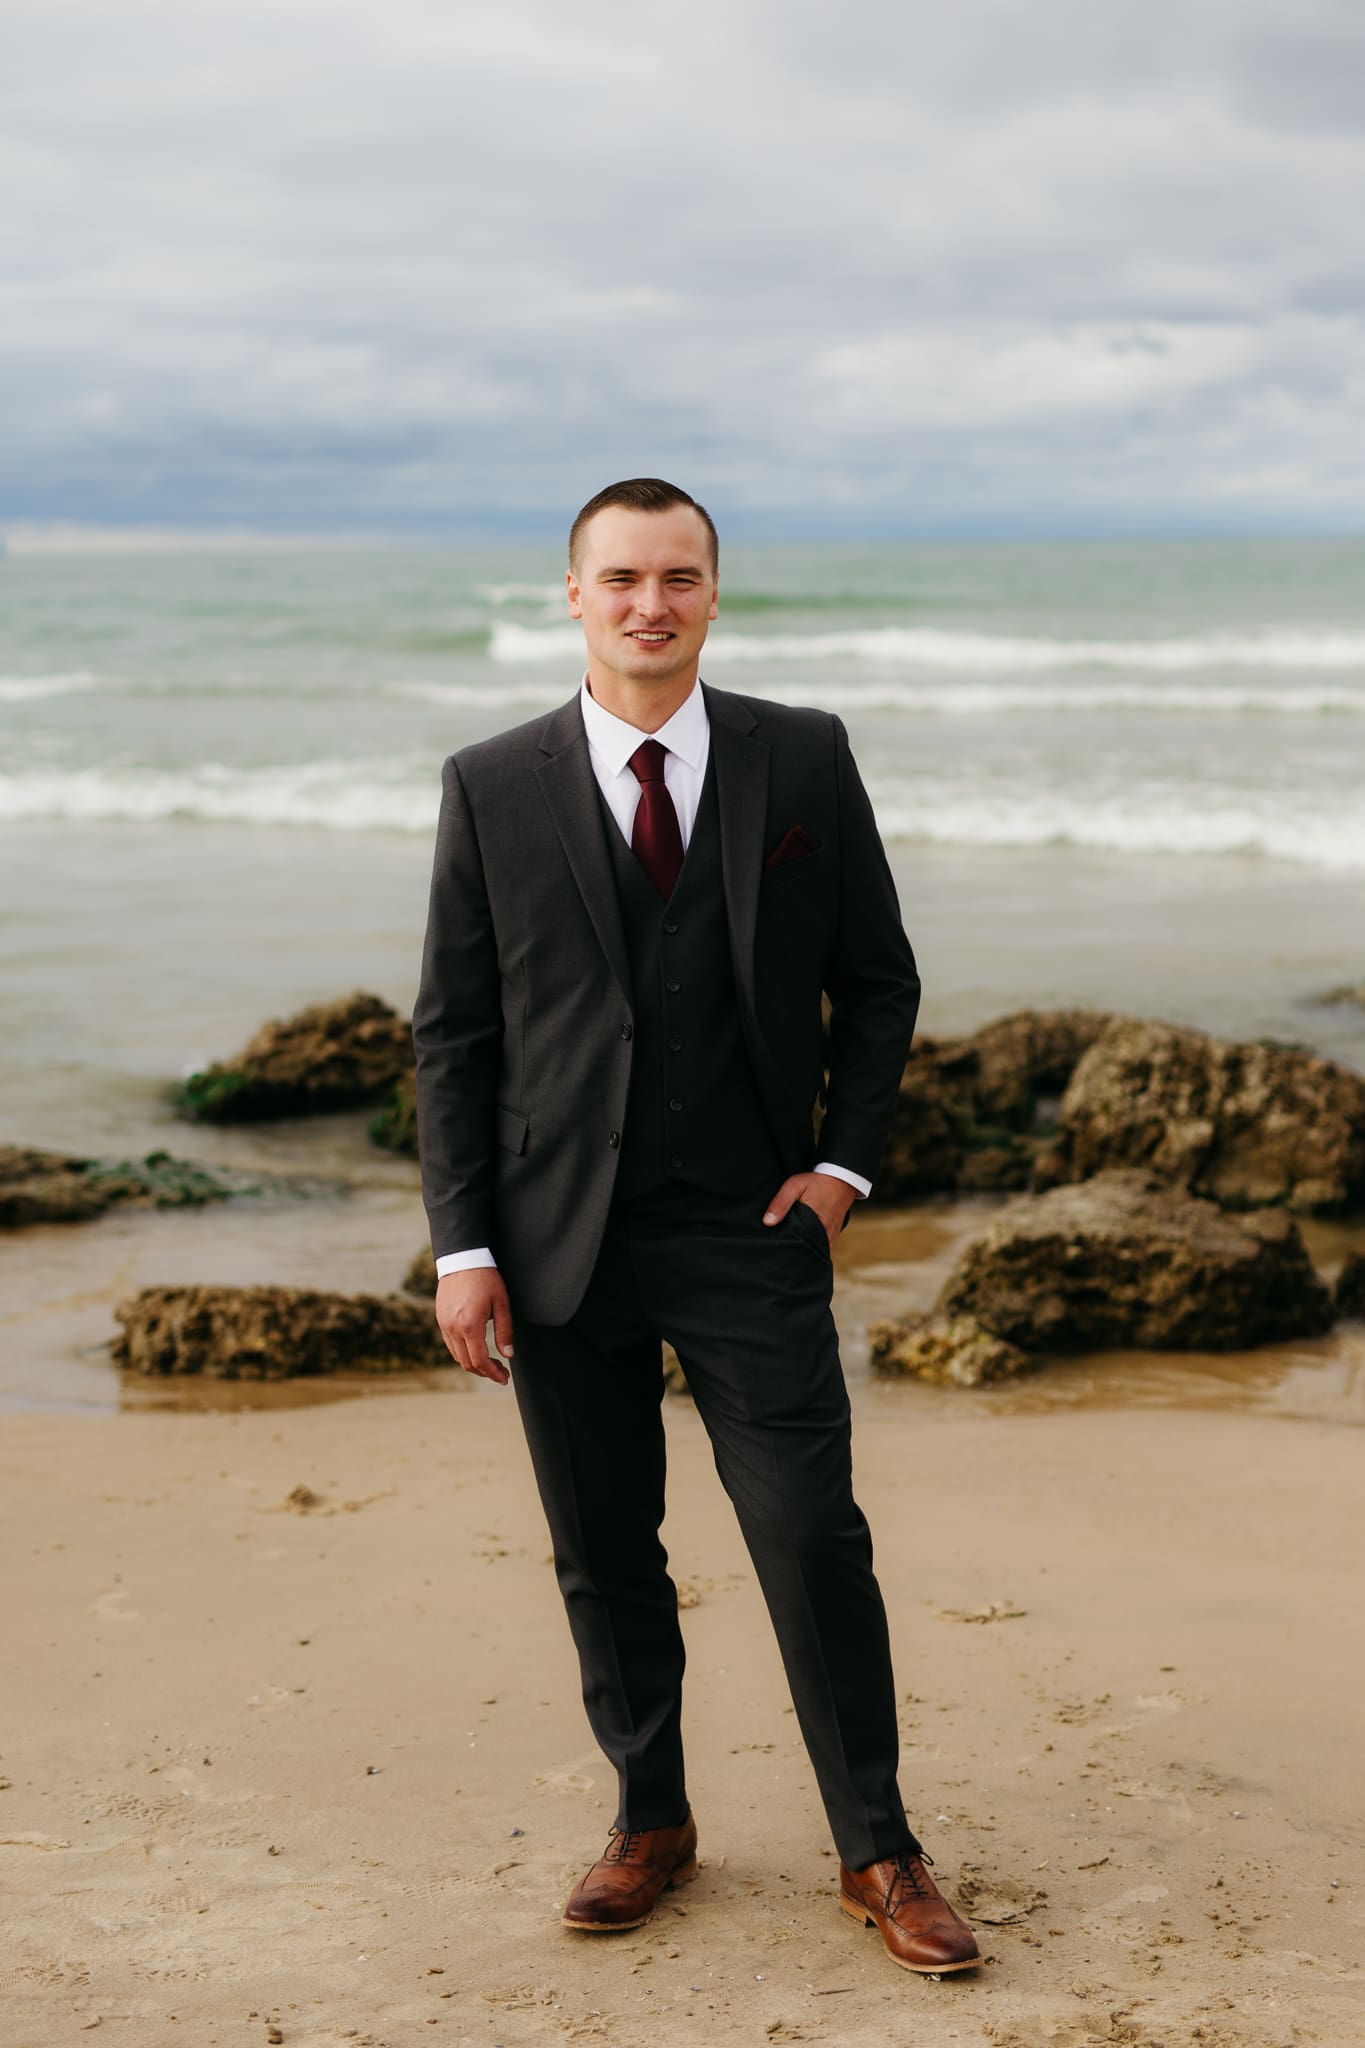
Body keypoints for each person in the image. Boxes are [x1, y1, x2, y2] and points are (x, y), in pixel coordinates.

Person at [411, 477, 980, 1977]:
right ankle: (648, 1820)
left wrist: (844, 1169)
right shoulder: (489, 782)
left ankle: (878, 1846)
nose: (647, 603)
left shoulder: (800, 756)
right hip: (553, 1238)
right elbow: (454, 1033)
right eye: (620, 578)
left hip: (749, 1222)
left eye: (677, 577)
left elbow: (879, 980)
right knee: (603, 1547)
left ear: (713, 594)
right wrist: (463, 1248)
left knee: (808, 1532)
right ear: (573, 594)